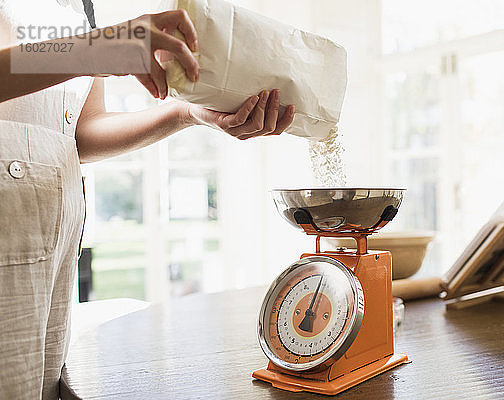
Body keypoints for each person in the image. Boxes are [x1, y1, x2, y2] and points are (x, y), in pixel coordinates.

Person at [0, 1, 295, 398]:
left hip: (51, 243)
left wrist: (186, 113)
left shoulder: (79, 4)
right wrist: (91, 49)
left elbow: (80, 133)